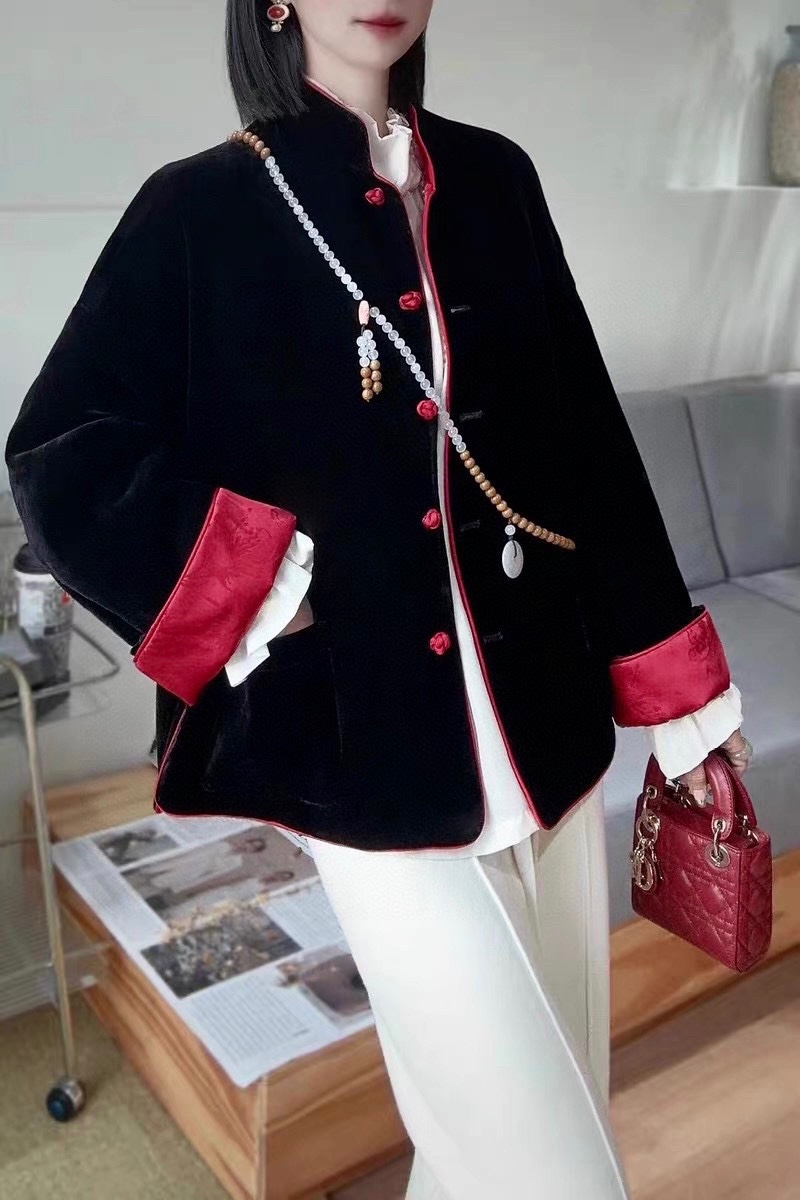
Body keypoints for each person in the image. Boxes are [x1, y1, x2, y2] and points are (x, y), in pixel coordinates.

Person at [4, 2, 753, 1195]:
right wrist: (256, 580)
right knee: (551, 1174)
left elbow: (584, 442)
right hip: (360, 754)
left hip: (544, 721)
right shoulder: (200, 205)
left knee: (508, 1129)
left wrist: (674, 689)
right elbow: (61, 450)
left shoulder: (494, 180)